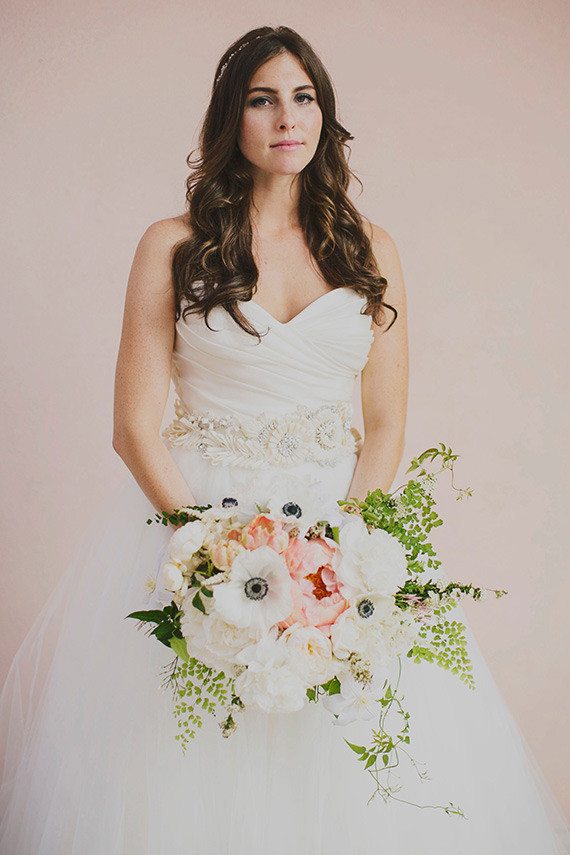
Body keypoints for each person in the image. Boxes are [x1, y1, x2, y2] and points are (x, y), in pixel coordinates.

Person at [0, 24, 568, 855]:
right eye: (263, 99)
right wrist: (208, 552)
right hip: (195, 513)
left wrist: (343, 551)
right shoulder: (172, 245)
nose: (286, 117)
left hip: (334, 524)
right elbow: (132, 426)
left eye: (303, 98)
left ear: (325, 117)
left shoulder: (370, 250)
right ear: (233, 118)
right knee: (179, 758)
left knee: (343, 758)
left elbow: (385, 427)